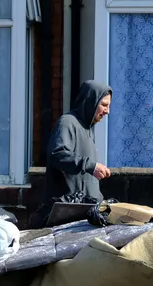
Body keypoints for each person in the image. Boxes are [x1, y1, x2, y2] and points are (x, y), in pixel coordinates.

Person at [30, 80, 112, 229]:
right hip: (64, 216)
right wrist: (90, 166)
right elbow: (57, 153)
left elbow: (85, 179)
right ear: (91, 101)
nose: (107, 111)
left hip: (82, 215)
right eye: (104, 105)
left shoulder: (88, 129)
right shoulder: (67, 122)